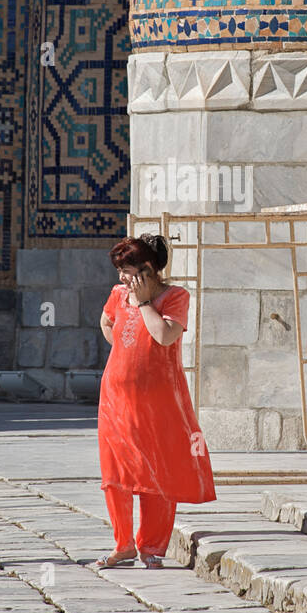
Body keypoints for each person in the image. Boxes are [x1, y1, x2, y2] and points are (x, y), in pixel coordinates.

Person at [95, 234, 215, 569]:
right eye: (120, 271)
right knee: (116, 471)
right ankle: (123, 545)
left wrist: (146, 302)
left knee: (155, 470)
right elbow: (106, 321)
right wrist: (123, 346)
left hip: (159, 401)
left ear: (149, 270)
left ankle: (150, 546)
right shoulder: (119, 294)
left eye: (128, 270)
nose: (122, 278)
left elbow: (164, 336)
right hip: (115, 398)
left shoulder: (175, 297)